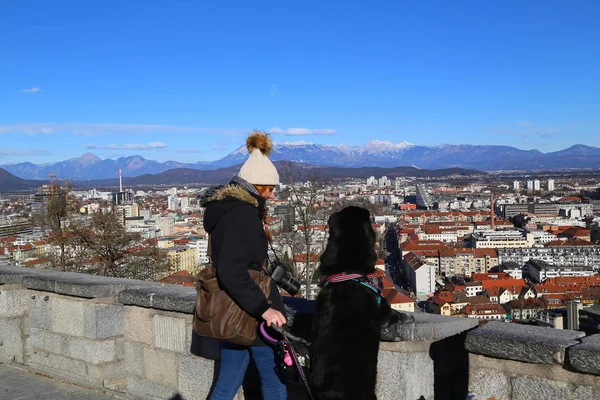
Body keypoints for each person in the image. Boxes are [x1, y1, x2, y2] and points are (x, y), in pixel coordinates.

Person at [201, 130, 288, 400]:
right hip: (252, 313)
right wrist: (265, 310)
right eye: (269, 188)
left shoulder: (225, 210)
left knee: (227, 384)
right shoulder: (243, 216)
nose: (272, 195)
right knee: (274, 383)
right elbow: (232, 269)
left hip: (229, 312)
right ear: (255, 186)